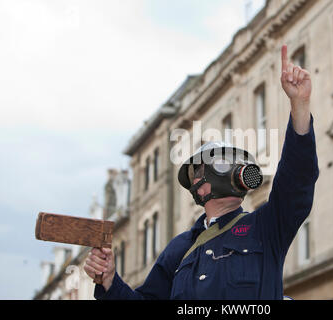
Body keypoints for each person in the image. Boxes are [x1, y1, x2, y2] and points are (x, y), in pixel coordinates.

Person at [84, 44, 319, 300]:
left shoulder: (264, 228)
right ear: (199, 183)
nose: (233, 169)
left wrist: (300, 105)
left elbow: (297, 180)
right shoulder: (180, 248)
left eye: (234, 161)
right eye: (221, 163)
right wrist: (109, 281)